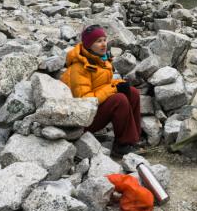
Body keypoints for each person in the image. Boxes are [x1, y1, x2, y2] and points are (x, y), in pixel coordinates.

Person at [61, 25, 142, 157]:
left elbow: (102, 85)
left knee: (132, 92)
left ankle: (132, 140)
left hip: (95, 110)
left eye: (104, 40)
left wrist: (119, 84)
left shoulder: (100, 59)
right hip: (83, 120)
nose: (103, 44)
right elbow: (84, 100)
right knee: (119, 100)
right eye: (98, 41)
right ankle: (121, 146)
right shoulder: (79, 67)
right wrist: (114, 88)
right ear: (88, 45)